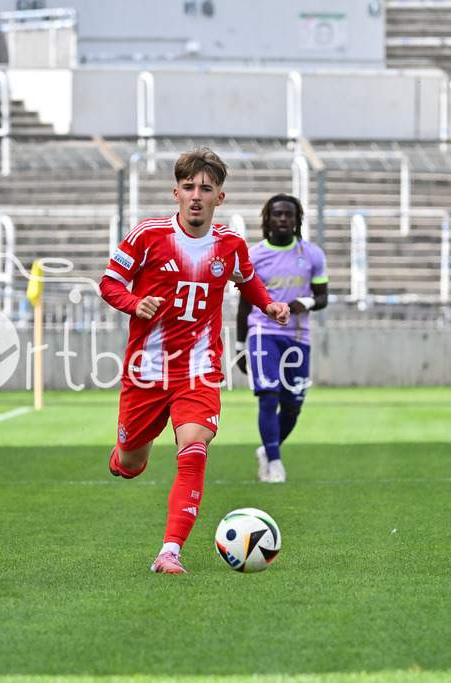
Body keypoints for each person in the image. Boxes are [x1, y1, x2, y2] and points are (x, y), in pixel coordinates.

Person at [99, 147, 290, 574]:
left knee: (195, 449)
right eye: (189, 187)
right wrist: (134, 303)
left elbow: (247, 279)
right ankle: (123, 454)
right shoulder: (147, 236)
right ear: (176, 193)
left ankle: (170, 551)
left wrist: (270, 305)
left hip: (199, 371)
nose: (197, 195)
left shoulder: (231, 245)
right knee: (130, 464)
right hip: (145, 372)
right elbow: (109, 283)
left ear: (220, 197)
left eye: (206, 188)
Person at [235, 193, 328, 484]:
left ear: (297, 219)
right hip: (263, 333)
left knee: (292, 406)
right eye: (277, 214)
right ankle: (275, 464)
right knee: (268, 395)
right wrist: (240, 346)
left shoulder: (312, 254)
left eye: (289, 214)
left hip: (298, 337)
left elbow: (323, 295)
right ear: (268, 219)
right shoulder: (253, 256)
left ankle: (267, 450)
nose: (283, 219)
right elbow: (244, 304)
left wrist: (308, 303)